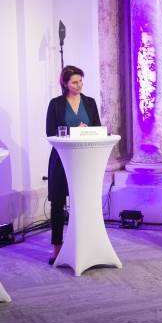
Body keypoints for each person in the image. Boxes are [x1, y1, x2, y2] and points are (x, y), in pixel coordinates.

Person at [45, 65, 101, 264]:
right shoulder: (56, 104)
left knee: (83, 202)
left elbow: (98, 130)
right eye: (75, 82)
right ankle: (57, 247)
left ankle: (85, 243)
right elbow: (50, 133)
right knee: (58, 203)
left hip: (84, 160)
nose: (79, 85)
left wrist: (86, 131)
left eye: (81, 81)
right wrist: (73, 132)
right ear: (65, 84)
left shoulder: (90, 103)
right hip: (61, 159)